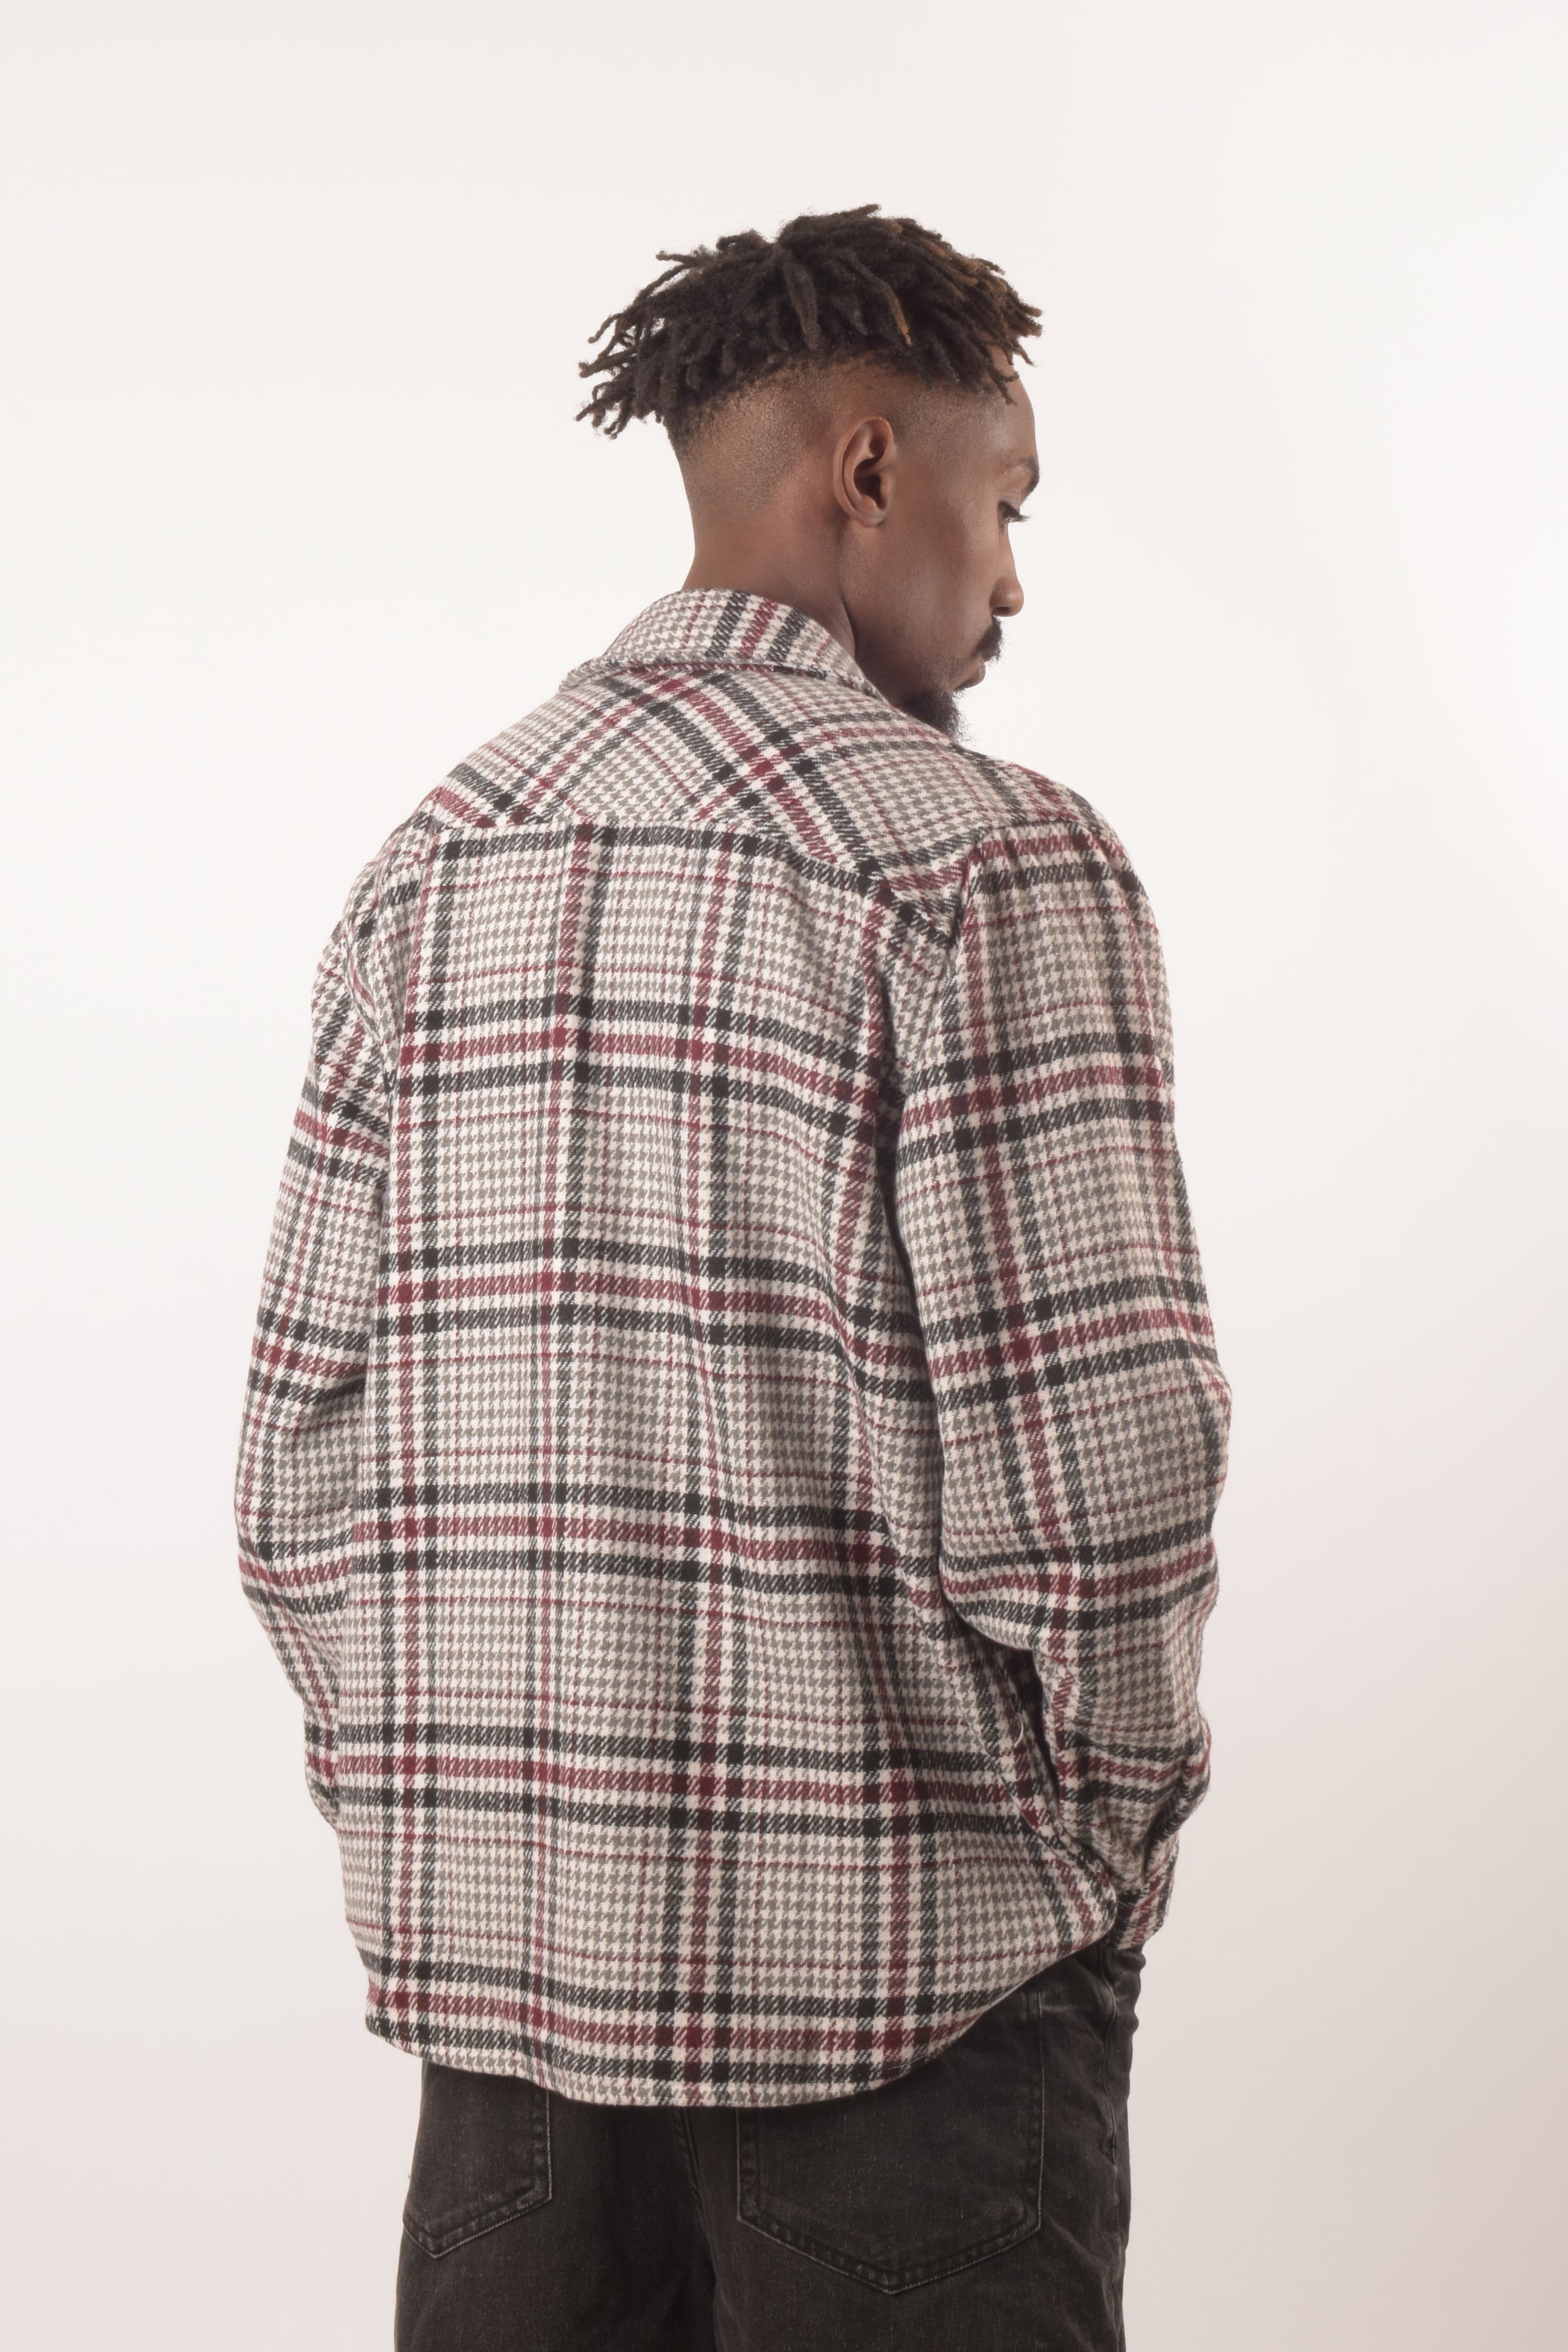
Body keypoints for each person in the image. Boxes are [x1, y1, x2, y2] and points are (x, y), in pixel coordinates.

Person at [235, 204, 1230, 2352]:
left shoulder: (437, 859)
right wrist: (1096, 1856)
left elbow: (299, 1471)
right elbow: (1105, 1486)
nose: (1014, 577)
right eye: (1005, 501)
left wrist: (452, 1815)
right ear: (869, 468)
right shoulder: (984, 859)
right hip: (911, 1998)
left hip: (510, 2032)